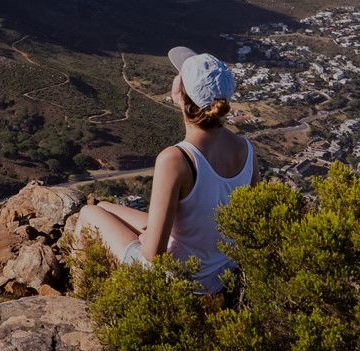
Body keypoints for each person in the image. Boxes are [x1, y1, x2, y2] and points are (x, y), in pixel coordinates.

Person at [75, 45, 257, 294]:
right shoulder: (246, 149)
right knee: (105, 207)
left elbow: (153, 255)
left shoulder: (176, 159)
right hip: (221, 275)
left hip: (180, 281)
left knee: (88, 213)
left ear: (181, 96)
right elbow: (250, 224)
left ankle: (84, 295)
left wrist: (146, 240)